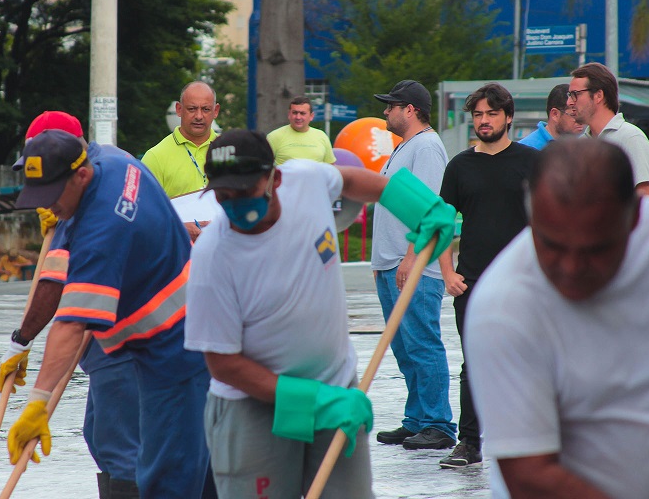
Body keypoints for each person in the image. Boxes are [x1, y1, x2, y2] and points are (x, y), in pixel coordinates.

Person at [184, 129, 455, 498]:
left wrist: (418, 205)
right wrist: (314, 402)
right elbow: (222, 362)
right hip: (254, 408)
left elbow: (351, 180)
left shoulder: (305, 180)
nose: (233, 204)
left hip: (335, 392)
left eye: (244, 192)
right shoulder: (214, 255)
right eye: (223, 195)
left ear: (274, 179)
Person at [466, 138, 649, 498]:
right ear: (531, 212)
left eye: (596, 249)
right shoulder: (504, 308)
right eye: (552, 245)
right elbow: (529, 476)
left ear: (636, 214)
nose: (571, 269)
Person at [6, 130, 213, 499]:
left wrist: (37, 402)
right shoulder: (111, 162)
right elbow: (56, 271)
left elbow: (71, 323)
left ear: (80, 175)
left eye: (52, 196)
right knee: (191, 462)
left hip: (175, 352)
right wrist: (20, 342)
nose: (49, 206)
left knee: (167, 476)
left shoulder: (105, 226)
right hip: (188, 333)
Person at [0, 111, 141, 499]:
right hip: (119, 338)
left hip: (132, 338)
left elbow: (61, 298)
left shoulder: (97, 208)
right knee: (99, 434)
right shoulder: (108, 165)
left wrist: (36, 395)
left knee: (121, 446)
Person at [437, 82, 538, 468]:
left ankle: (527, 441)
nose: (483, 121)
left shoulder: (532, 162)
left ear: (508, 117)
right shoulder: (459, 166)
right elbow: (442, 223)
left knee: (528, 360)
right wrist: (448, 272)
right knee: (474, 363)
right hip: (473, 282)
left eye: (491, 114)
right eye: (477, 115)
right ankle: (469, 443)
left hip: (524, 282)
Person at [369, 80, 455, 450]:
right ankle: (417, 418)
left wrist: (410, 259)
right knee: (405, 348)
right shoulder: (404, 147)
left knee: (423, 344)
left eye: (392, 105)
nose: (386, 111)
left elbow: (429, 210)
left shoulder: (428, 148)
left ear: (412, 110)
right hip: (391, 264)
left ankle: (438, 422)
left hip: (415, 266)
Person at [142, 81, 219, 241]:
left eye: (205, 109)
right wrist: (179, 227)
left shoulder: (229, 151)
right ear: (179, 109)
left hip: (223, 252)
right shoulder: (155, 157)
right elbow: (142, 214)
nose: (199, 116)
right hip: (178, 254)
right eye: (192, 109)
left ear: (215, 111)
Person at [566, 62, 649, 196]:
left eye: (575, 94)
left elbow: (648, 199)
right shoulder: (580, 144)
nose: (569, 102)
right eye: (569, 95)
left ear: (598, 95)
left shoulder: (631, 139)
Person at [266, 96, 336, 165]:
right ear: (289, 114)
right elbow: (262, 167)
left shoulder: (322, 136)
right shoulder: (274, 137)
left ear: (311, 116)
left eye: (302, 113)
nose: (298, 117)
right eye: (295, 113)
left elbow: (330, 168)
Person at [518, 84, 584, 149]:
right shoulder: (526, 149)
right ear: (555, 114)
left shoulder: (582, 147)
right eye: (573, 115)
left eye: (583, 114)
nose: (581, 121)